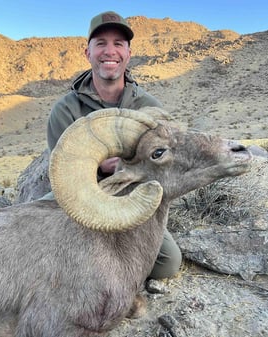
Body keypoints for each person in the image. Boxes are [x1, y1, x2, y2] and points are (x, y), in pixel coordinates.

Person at [46, 11, 182, 279]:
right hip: (82, 196)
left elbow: (163, 164)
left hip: (132, 195)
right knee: (52, 248)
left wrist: (124, 167)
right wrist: (100, 167)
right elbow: (64, 174)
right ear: (88, 52)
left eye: (118, 44)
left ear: (128, 53)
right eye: (101, 43)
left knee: (167, 263)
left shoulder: (148, 107)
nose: (110, 51)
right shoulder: (66, 109)